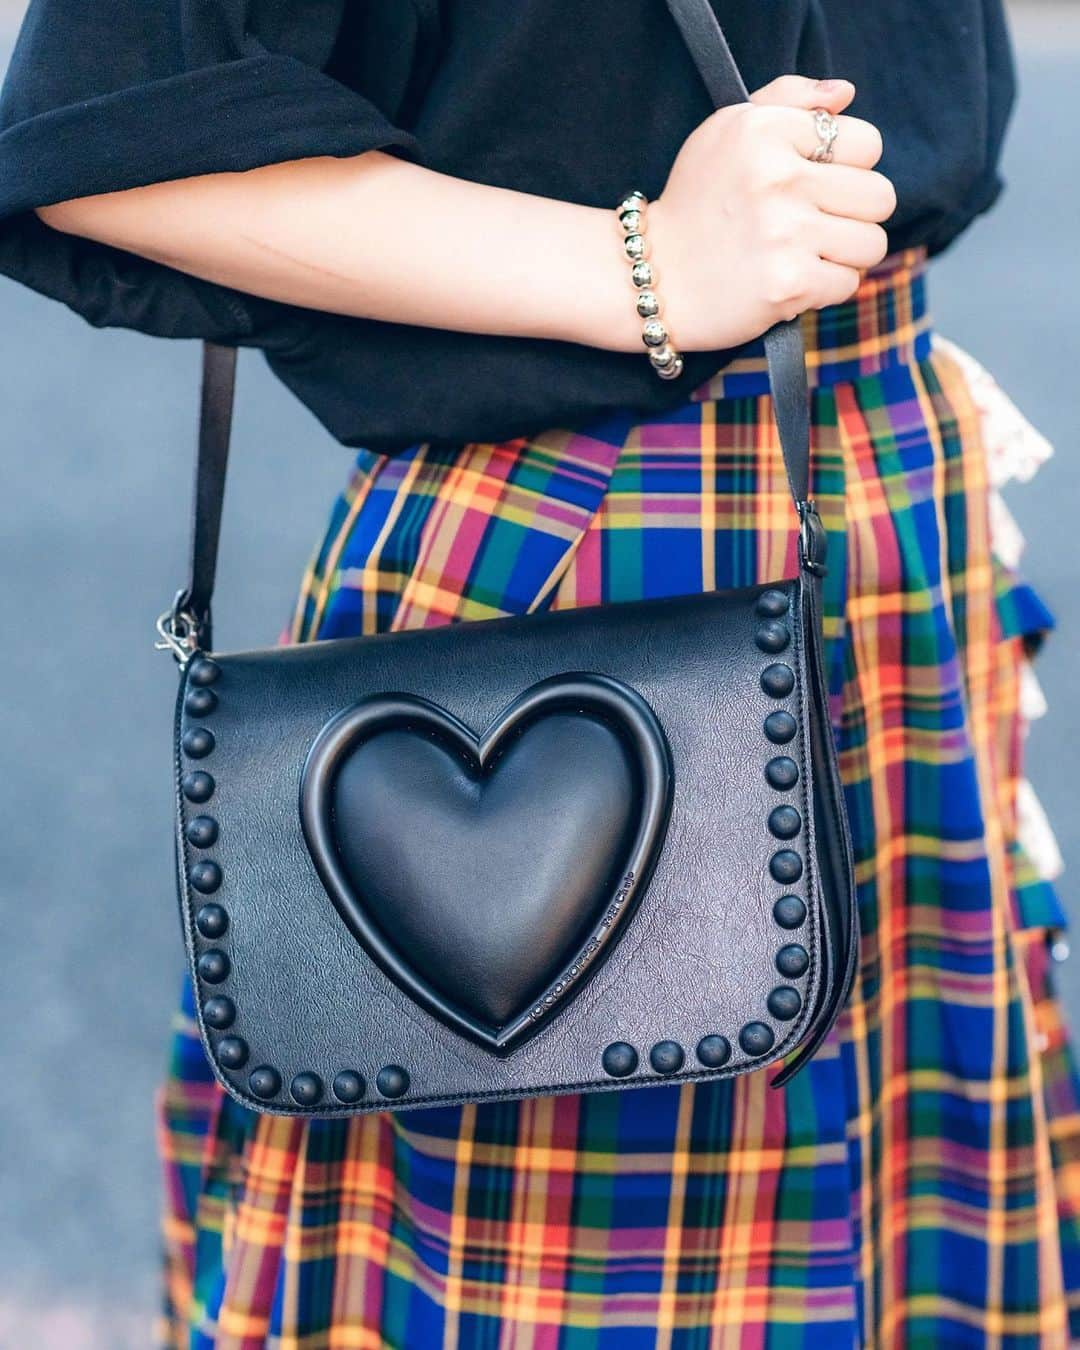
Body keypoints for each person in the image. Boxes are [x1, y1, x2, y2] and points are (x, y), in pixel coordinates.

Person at [1, 2, 1077, 1344]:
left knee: (897, 1244)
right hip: (599, 538)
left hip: (880, 473)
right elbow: (113, 134)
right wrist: (644, 267)